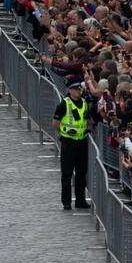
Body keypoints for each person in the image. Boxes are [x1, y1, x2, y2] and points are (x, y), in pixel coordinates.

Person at [52, 78, 92, 211]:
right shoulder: (64, 104)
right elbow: (55, 123)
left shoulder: (84, 103)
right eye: (75, 89)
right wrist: (64, 133)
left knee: (81, 172)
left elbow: (87, 118)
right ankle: (66, 201)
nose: (78, 91)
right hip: (68, 142)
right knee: (67, 173)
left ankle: (80, 200)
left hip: (82, 142)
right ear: (70, 91)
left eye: (79, 89)